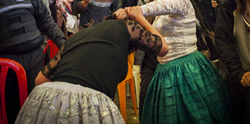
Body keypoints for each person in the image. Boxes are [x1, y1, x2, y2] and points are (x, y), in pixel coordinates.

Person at [15, 9, 169, 124]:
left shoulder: (78, 36)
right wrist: (141, 18)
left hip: (44, 99)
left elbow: (40, 80)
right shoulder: (127, 26)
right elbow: (163, 48)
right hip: (88, 103)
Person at [125, 0, 233, 123]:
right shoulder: (163, 9)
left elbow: (162, 6)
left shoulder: (180, 0)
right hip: (164, 69)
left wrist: (139, 11)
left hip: (186, 68)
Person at [0, 0, 66, 124]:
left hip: (34, 58)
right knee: (11, 110)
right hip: (6, 64)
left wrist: (65, 44)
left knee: (37, 107)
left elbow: (47, 22)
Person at [138, 0, 160, 119]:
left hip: (168, 63)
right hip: (149, 63)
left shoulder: (174, 10)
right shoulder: (146, 11)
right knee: (145, 96)